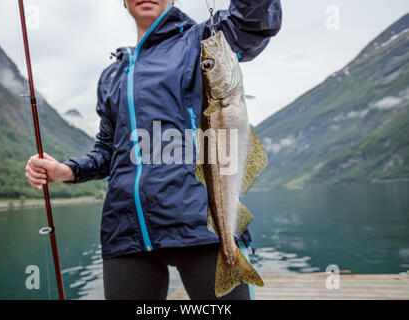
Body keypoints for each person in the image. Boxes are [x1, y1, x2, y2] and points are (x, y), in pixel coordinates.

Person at [25, 0, 282, 300]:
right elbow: (109, 151)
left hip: (204, 226)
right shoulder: (112, 75)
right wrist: (68, 170)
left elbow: (254, 19)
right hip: (125, 233)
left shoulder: (205, 40)